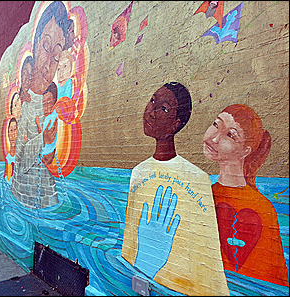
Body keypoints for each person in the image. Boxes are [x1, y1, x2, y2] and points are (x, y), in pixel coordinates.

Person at [122, 82, 229, 296]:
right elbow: (129, 246)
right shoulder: (138, 173)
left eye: (163, 108)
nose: (151, 111)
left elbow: (209, 262)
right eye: (152, 101)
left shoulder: (197, 179)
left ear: (176, 124)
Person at [203, 104, 289, 287]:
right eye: (216, 124)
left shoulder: (263, 209)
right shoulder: (203, 194)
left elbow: (275, 281)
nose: (215, 138)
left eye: (230, 135)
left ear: (245, 151)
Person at [11, 1, 69, 209]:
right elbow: (20, 163)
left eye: (57, 55)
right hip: (23, 198)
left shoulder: (52, 102)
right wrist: (41, 139)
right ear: (35, 45)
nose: (49, 64)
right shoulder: (26, 104)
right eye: (46, 47)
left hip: (47, 199)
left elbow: (50, 159)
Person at [34, 82, 59, 163]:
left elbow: (48, 143)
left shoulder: (53, 117)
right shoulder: (47, 118)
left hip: (47, 157)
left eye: (49, 102)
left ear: (55, 101)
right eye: (44, 104)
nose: (46, 108)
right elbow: (44, 137)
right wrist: (38, 125)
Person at [4, 117, 18, 185]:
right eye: (11, 130)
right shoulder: (7, 158)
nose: (13, 135)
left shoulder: (21, 156)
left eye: (15, 129)